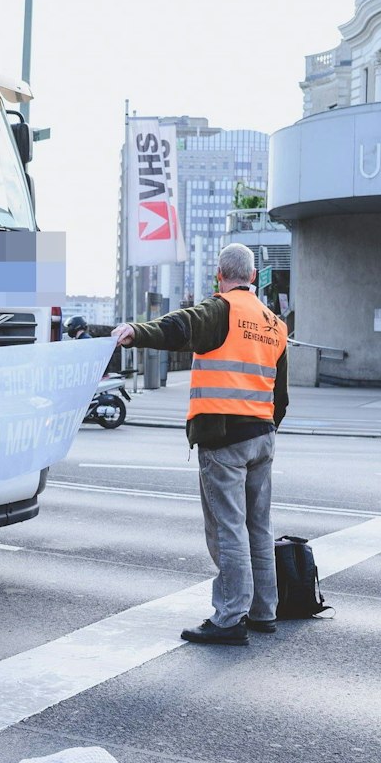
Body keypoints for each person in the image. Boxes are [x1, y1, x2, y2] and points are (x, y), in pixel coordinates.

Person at [113, 243, 289, 644]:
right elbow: (282, 395)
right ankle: (264, 611)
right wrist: (268, 427)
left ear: (219, 275)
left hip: (224, 437)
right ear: (255, 277)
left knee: (228, 529)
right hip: (262, 438)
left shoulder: (221, 309)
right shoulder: (274, 323)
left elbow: (179, 327)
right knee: (258, 527)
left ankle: (229, 618)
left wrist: (135, 332)